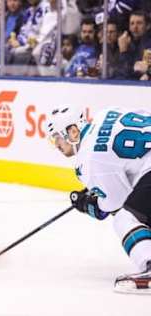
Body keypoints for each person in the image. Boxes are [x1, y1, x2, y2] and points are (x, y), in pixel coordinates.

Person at [46, 105, 151, 293]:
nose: (57, 146)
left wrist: (89, 204)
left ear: (73, 131)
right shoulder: (105, 114)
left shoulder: (88, 161)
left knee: (126, 219)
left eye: (57, 139)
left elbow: (115, 205)